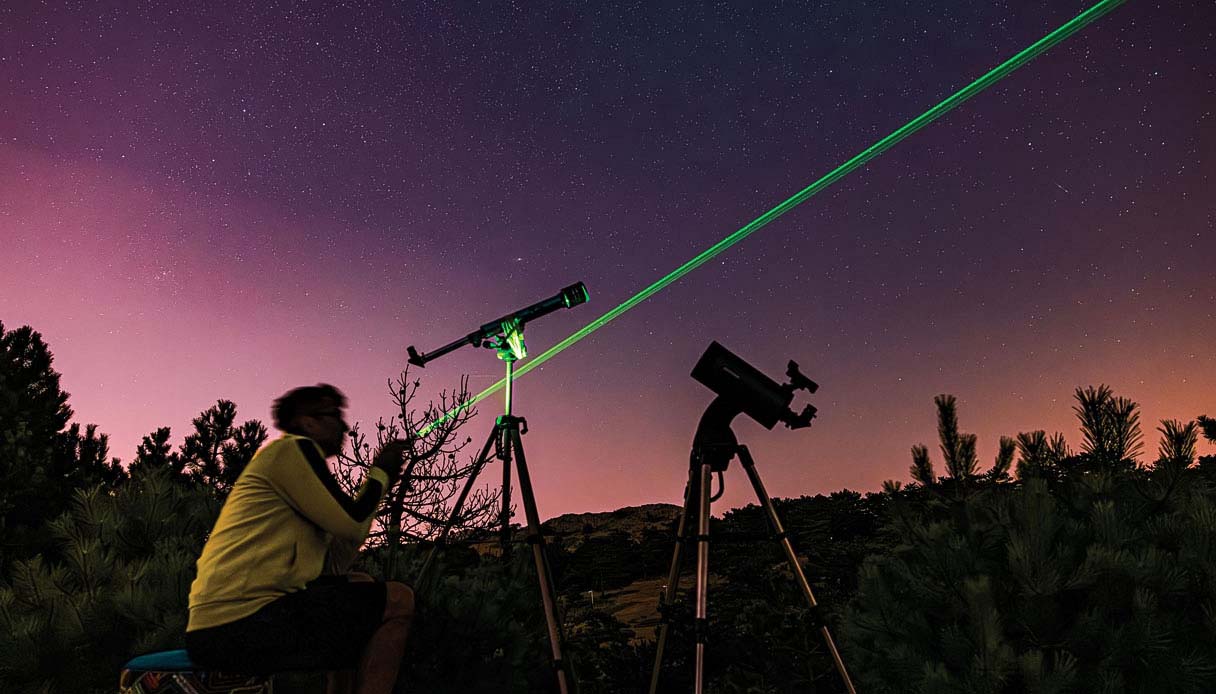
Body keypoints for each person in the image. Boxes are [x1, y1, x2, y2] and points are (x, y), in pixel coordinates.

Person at [185, 384, 415, 694]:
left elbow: (336, 561)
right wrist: (381, 475)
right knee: (399, 600)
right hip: (241, 622)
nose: (344, 426)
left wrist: (380, 483)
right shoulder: (293, 450)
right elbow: (352, 522)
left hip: (222, 624)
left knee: (359, 584)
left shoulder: (293, 470)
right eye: (334, 415)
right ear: (308, 422)